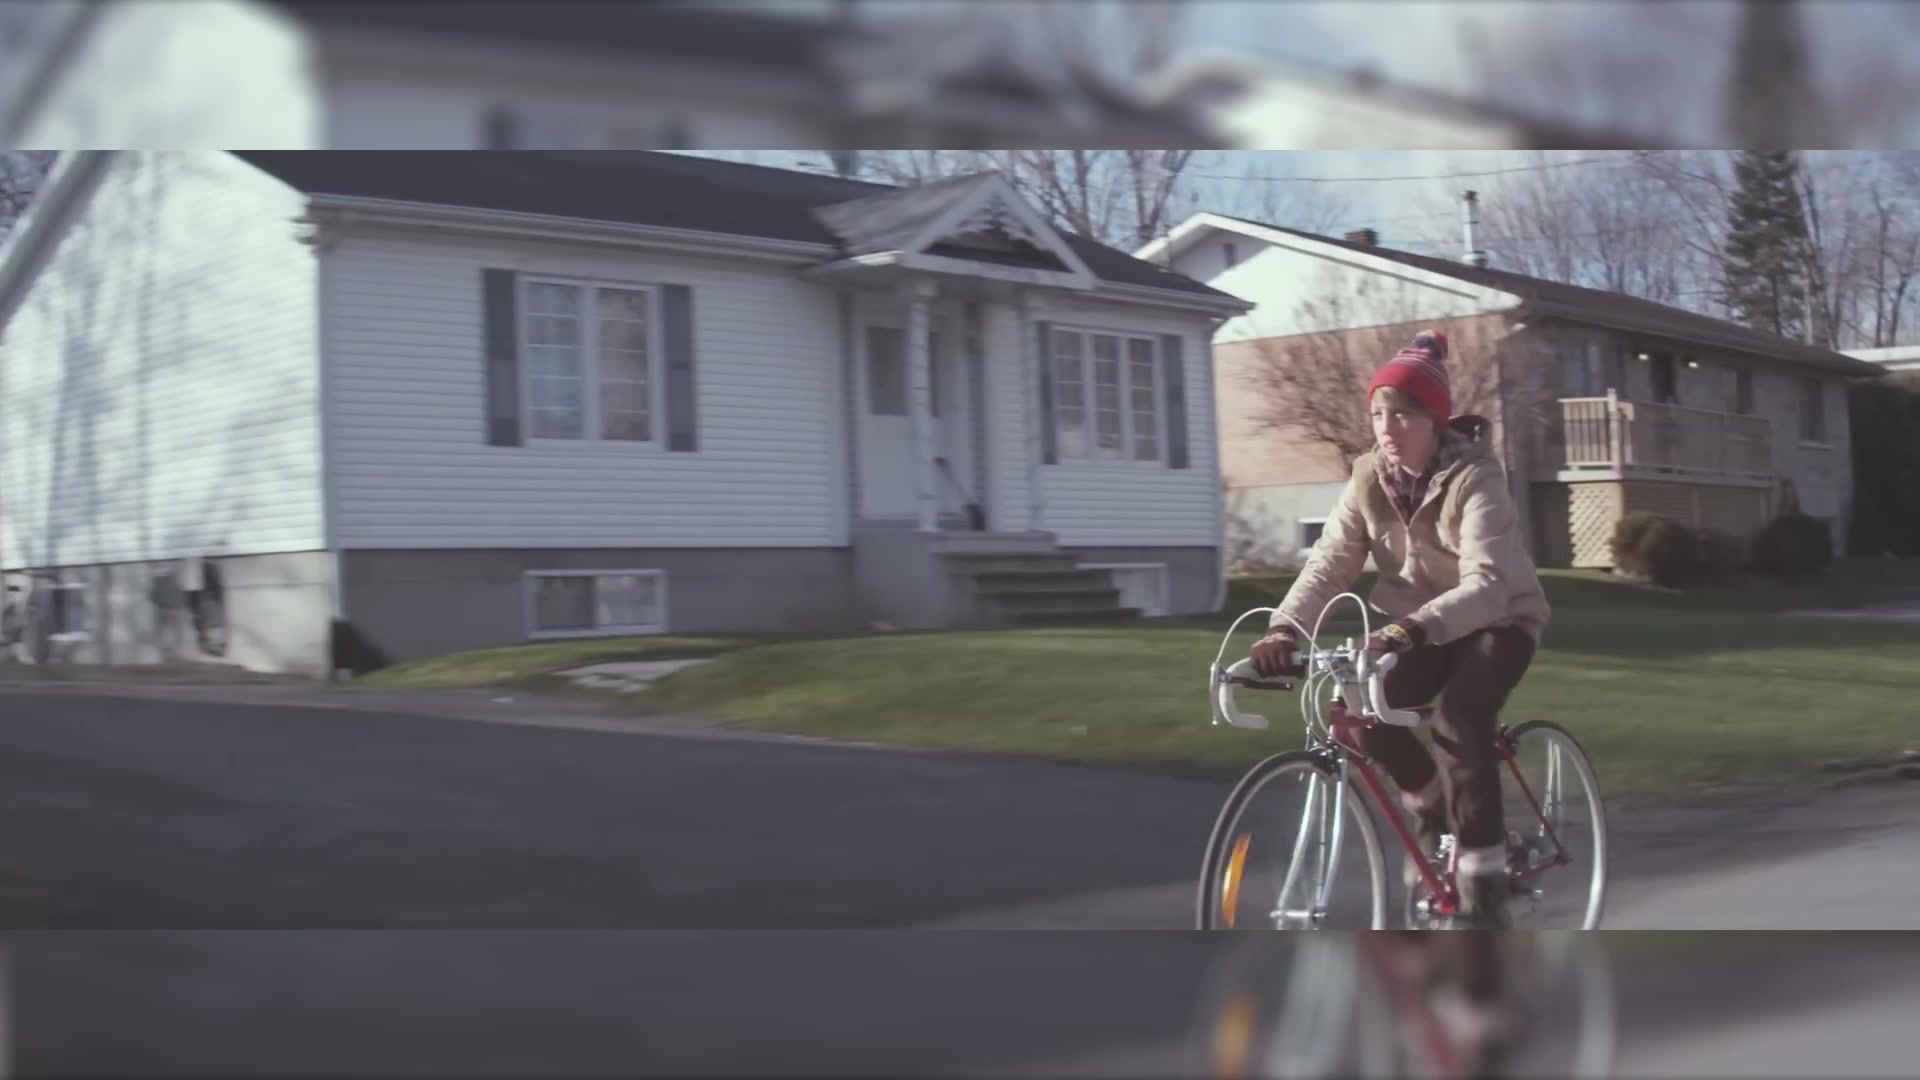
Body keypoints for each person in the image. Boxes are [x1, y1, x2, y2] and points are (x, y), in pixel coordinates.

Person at [1247, 328, 1551, 929]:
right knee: (1364, 713)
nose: (1387, 427)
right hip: (1416, 628)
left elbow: (1488, 585)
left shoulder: (1476, 478)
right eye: (1378, 413)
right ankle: (1436, 810)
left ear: (1434, 419)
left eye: (1404, 413)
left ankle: (1483, 885)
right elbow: (1331, 562)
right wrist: (1285, 629)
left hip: (1500, 619)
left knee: (1458, 719)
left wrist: (1407, 630)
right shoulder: (1368, 479)